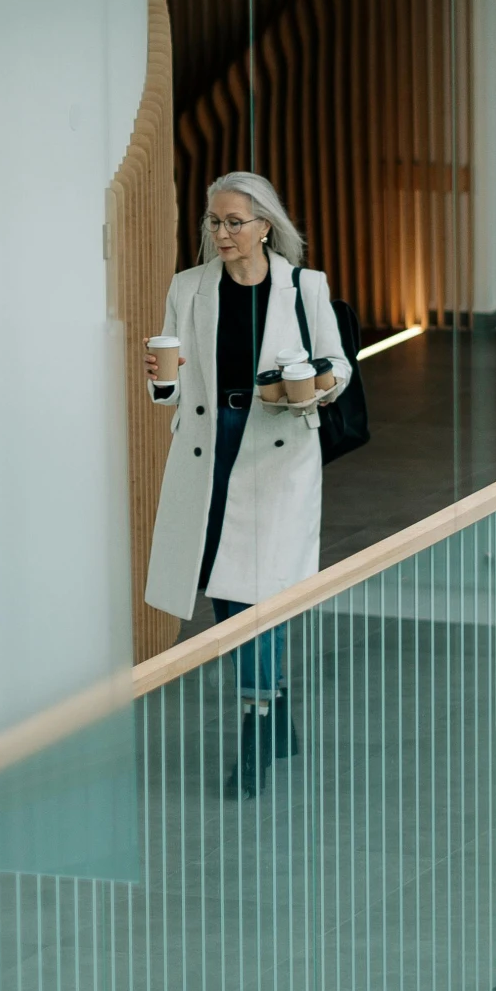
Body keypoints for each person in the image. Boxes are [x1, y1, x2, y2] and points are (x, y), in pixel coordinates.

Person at [143, 172, 353, 798]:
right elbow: (173, 387)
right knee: (226, 591)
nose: (223, 233)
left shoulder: (301, 287)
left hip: (278, 452)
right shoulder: (189, 287)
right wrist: (160, 379)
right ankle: (275, 706)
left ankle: (256, 727)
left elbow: (338, 365)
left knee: (261, 594)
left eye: (235, 222)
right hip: (211, 450)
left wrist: (310, 387)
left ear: (266, 225)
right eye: (214, 222)